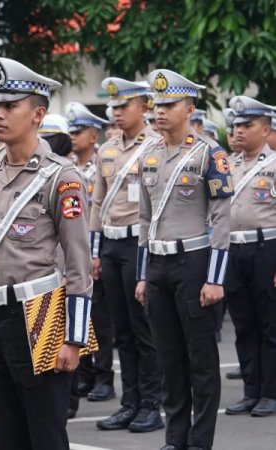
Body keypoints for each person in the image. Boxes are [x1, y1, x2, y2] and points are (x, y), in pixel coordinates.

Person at [0, 57, 93, 449]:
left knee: (45, 433)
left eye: (9, 106)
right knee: (6, 434)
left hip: (38, 315)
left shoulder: (61, 177)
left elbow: (78, 263)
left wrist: (73, 338)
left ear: (38, 113)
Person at [136, 69, 232, 450]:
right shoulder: (149, 155)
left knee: (202, 361)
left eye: (169, 104)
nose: (160, 111)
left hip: (194, 263)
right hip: (158, 266)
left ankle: (200, 442)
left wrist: (215, 278)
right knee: (170, 360)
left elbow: (222, 218)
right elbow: (144, 219)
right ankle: (175, 439)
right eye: (156, 105)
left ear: (189, 109)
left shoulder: (210, 153)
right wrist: (143, 274)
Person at [91, 77, 164, 433]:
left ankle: (151, 404)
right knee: (121, 330)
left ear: (143, 107)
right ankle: (130, 402)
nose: (117, 113)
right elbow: (96, 203)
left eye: (124, 106)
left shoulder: (156, 146)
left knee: (143, 329)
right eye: (114, 107)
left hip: (139, 243)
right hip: (112, 244)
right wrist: (94, 251)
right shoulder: (106, 150)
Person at [223, 95, 276, 418]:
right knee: (244, 325)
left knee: (270, 324)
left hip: (266, 248)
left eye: (247, 125)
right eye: (236, 125)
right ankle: (251, 390)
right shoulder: (227, 165)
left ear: (265, 129)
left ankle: (270, 392)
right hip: (233, 249)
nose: (239, 130)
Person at [66, 102, 115, 405]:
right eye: (70, 131)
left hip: (96, 247)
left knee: (101, 317)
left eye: (79, 131)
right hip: (73, 251)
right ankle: (84, 374)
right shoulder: (66, 166)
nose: (73, 136)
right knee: (78, 317)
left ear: (94, 135)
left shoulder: (102, 165)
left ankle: (104, 376)